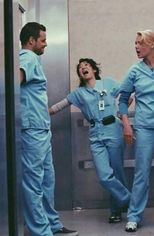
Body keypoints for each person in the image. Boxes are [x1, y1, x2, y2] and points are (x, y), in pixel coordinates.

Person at [49, 58, 131, 223]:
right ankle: (131, 202)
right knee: (105, 176)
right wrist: (38, 113)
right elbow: (59, 106)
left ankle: (115, 211)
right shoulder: (79, 93)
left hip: (113, 130)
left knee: (117, 172)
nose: (83, 68)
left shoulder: (107, 83)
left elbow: (127, 95)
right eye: (80, 68)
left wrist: (122, 113)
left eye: (86, 65)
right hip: (96, 134)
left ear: (94, 69)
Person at [19, 22, 78, 236]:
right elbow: (13, 82)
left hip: (41, 129)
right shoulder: (27, 57)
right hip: (32, 129)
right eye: (42, 40)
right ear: (31, 41)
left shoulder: (33, 59)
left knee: (46, 180)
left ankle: (52, 225)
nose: (45, 43)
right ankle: (40, 231)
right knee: (34, 182)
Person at [118, 30, 154, 232]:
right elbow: (122, 100)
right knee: (141, 174)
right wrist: (126, 124)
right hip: (144, 128)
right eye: (135, 43)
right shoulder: (134, 71)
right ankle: (134, 216)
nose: (136, 46)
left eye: (140, 43)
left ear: (152, 45)